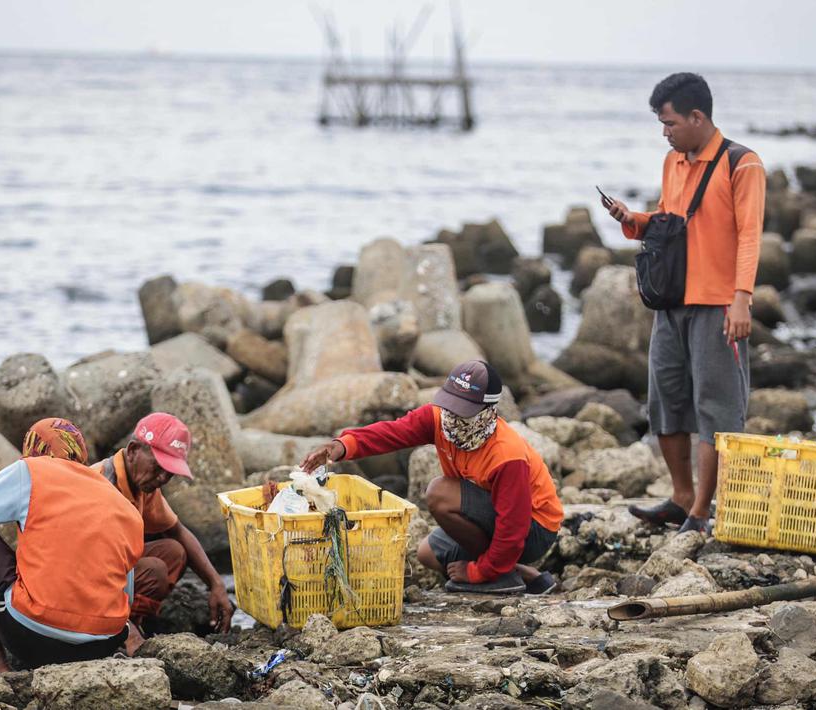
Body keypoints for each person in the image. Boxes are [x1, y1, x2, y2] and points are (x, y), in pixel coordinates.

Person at [601, 72, 765, 534]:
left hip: (717, 306)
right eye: (660, 123)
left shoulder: (743, 164)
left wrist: (741, 300)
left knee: (716, 408)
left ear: (697, 116)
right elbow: (669, 220)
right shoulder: (672, 163)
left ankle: (701, 513)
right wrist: (633, 220)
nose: (665, 131)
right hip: (671, 302)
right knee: (666, 402)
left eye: (670, 122)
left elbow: (751, 236)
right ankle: (681, 496)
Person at [300, 360, 563, 595]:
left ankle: (501, 573)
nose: (453, 416)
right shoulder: (439, 420)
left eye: (464, 410)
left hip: (535, 528)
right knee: (428, 554)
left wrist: (479, 572)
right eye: (451, 406)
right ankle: (524, 574)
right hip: (496, 520)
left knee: (440, 493)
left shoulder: (507, 455)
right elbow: (391, 433)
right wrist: (341, 446)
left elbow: (513, 530)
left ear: (488, 409)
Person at [0, 417, 143, 672]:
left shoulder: (33, 470)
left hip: (33, 639)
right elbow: (128, 594)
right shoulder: (124, 504)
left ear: (32, 451)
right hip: (103, 644)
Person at [91, 412, 234, 648]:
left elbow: (178, 531)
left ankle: (133, 620)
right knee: (155, 568)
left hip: (112, 571)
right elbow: (83, 564)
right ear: (134, 449)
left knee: (173, 552)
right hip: (86, 578)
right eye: (158, 467)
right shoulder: (98, 483)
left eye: (170, 472)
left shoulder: (143, 486)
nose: (163, 477)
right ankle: (117, 628)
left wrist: (216, 585)